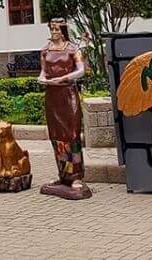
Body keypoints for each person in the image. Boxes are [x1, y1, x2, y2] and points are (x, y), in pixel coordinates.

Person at [38, 18, 90, 197]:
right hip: (52, 96)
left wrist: (63, 78)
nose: (54, 32)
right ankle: (63, 175)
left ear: (63, 31)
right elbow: (43, 71)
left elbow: (81, 70)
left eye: (57, 29)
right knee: (56, 136)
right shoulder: (45, 51)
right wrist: (42, 78)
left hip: (68, 95)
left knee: (72, 135)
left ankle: (76, 176)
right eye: (52, 29)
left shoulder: (72, 49)